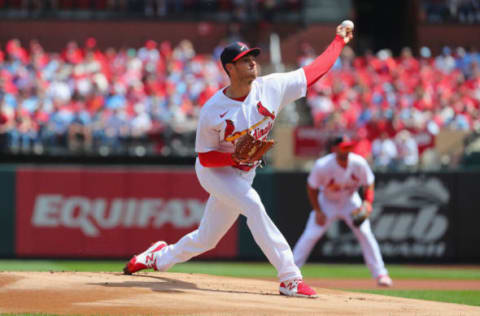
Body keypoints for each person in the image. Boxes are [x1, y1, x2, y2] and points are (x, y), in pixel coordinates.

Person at [123, 21, 354, 298]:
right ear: (229, 69)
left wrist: (339, 41)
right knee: (254, 206)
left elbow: (314, 71)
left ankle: (158, 257)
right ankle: (290, 278)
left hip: (244, 173)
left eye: (252, 57)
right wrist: (234, 157)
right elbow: (206, 158)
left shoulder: (271, 87)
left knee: (206, 239)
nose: (251, 62)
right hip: (215, 172)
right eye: (243, 60)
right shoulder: (213, 110)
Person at [292, 136, 393, 287]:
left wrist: (367, 202)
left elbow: (369, 183)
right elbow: (312, 187)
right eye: (344, 147)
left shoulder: (358, 162)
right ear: (335, 149)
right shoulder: (323, 165)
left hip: (350, 201)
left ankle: (381, 273)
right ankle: (291, 271)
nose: (347, 150)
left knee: (365, 233)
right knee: (310, 235)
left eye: (349, 147)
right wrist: (318, 210)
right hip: (327, 202)